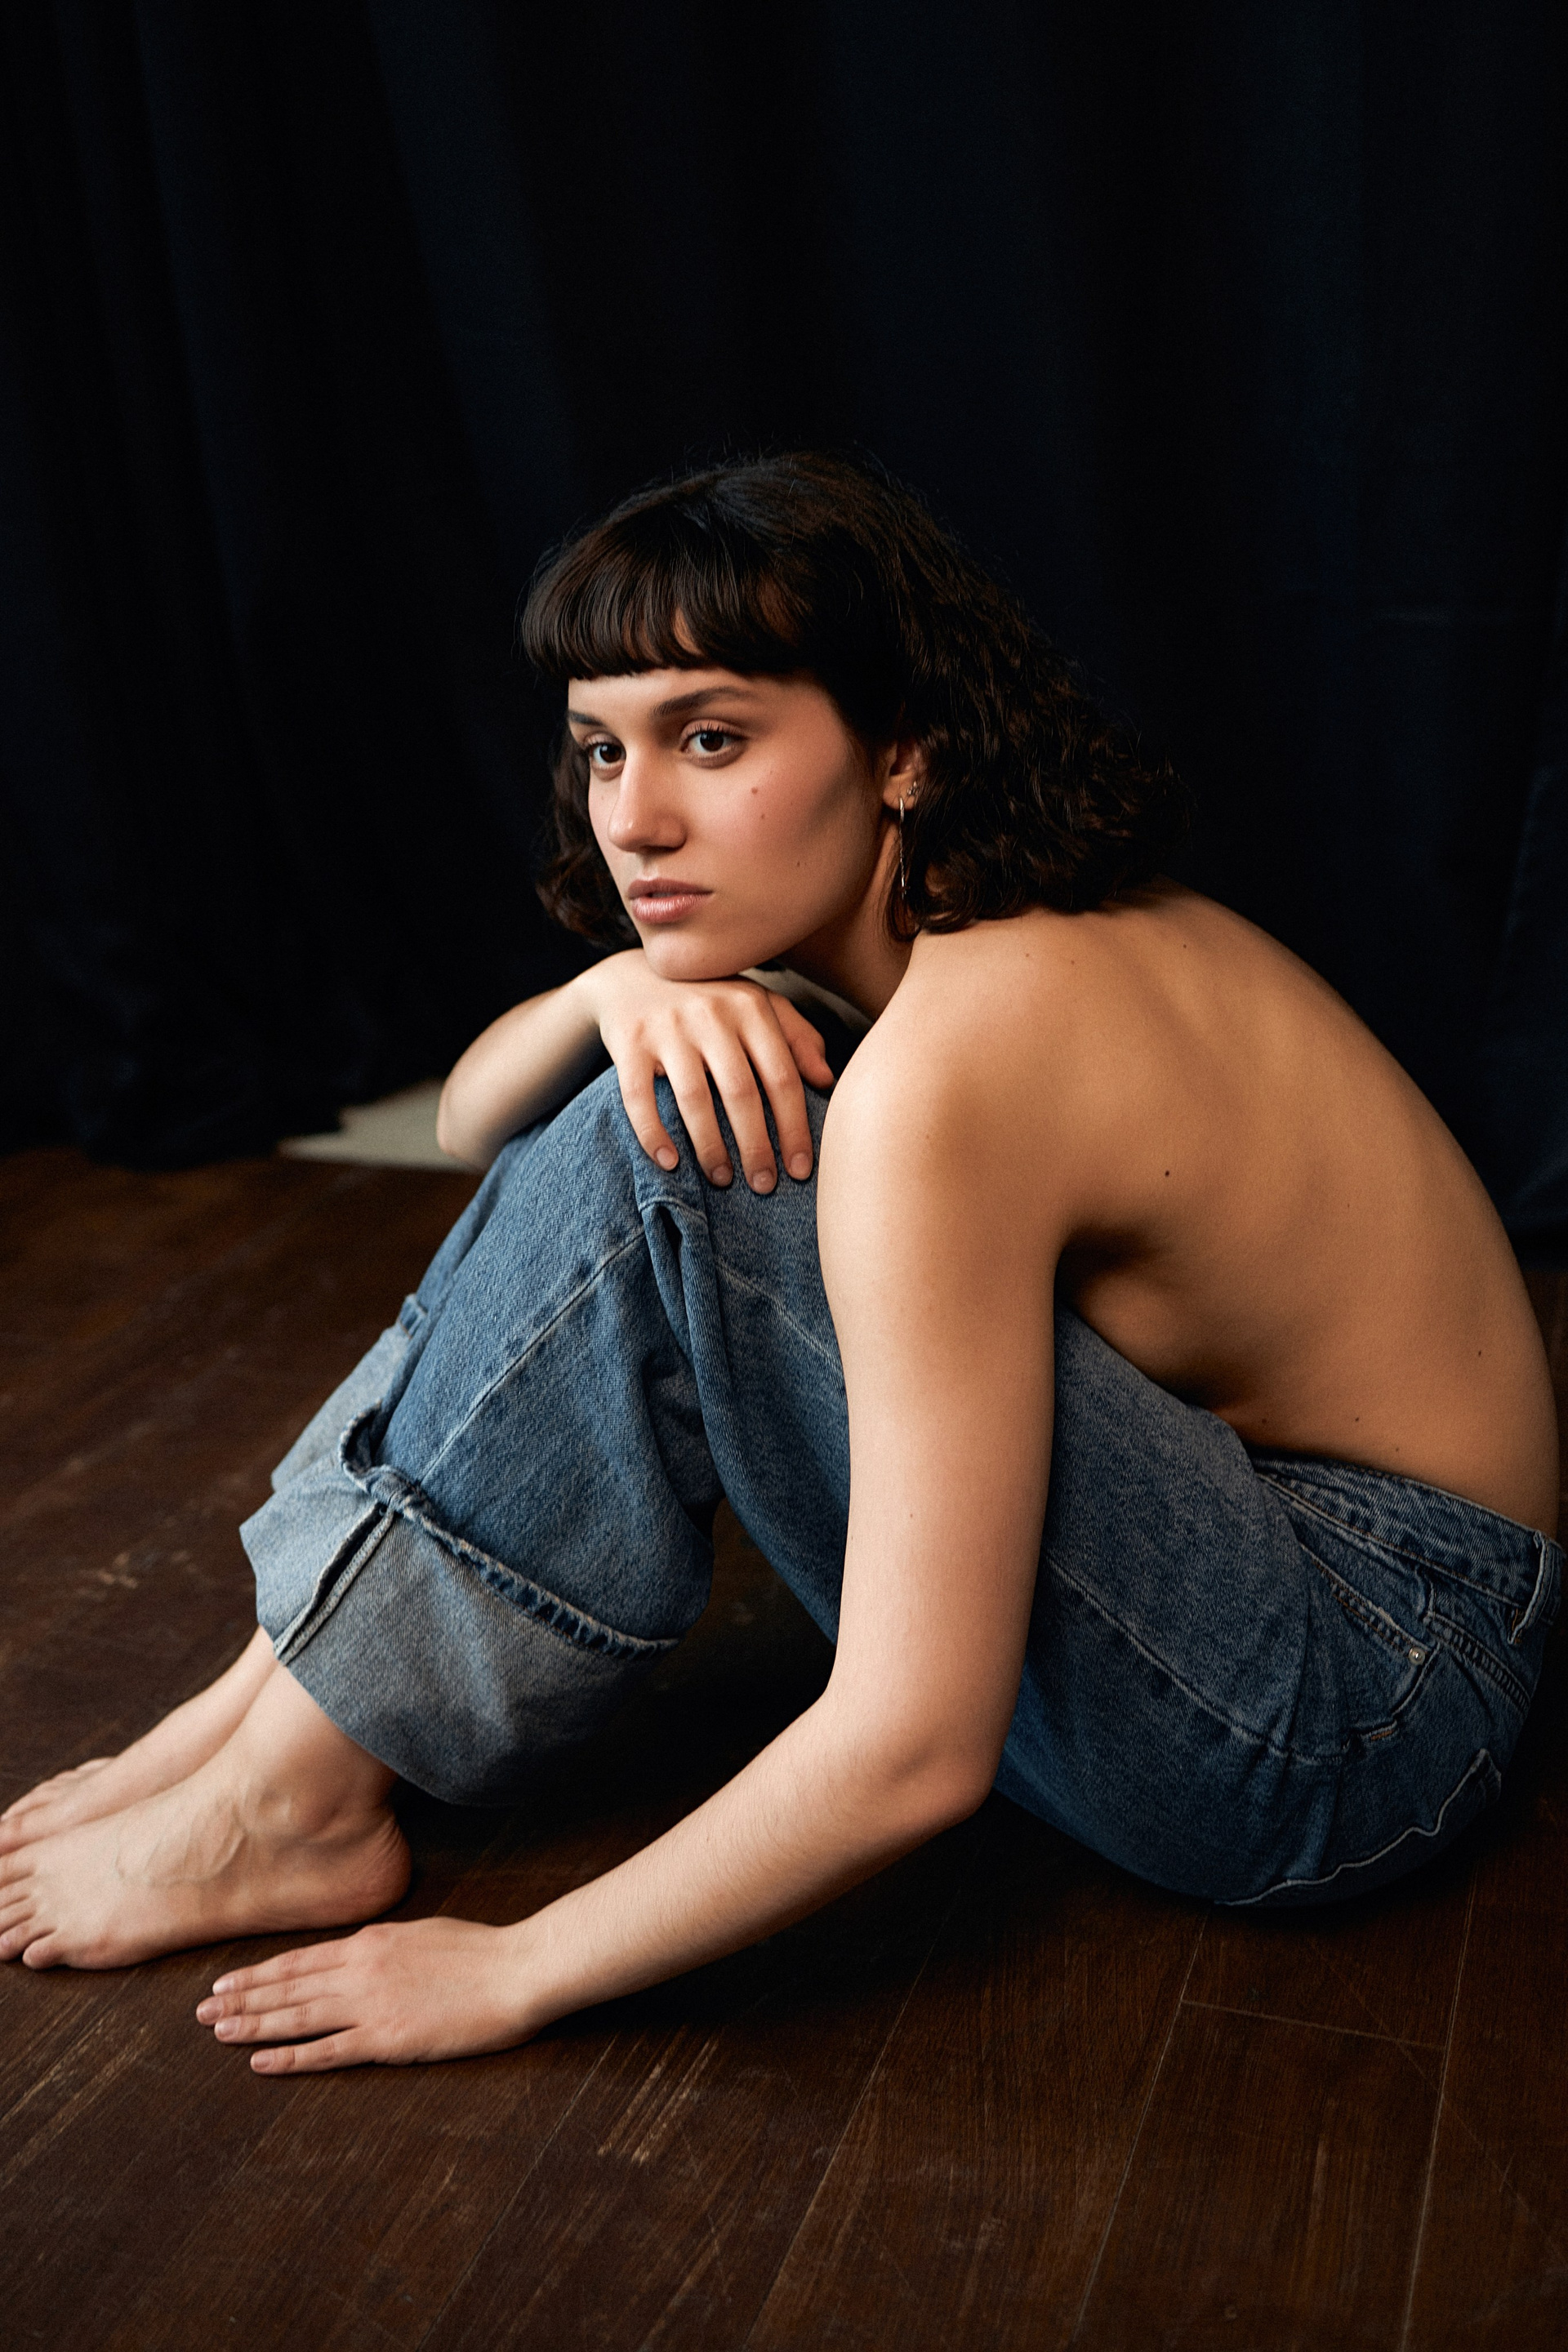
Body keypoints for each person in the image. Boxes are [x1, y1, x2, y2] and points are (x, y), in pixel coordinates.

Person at [0, 455, 1557, 2077]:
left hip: (1368, 1707)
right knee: (652, 1095)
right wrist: (607, 997)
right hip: (1323, 1582)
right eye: (604, 747)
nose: (633, 817)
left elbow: (915, 1747)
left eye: (713, 739)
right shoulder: (976, 930)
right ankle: (266, 1729)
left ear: (906, 751)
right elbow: (478, 1124)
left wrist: (520, 1969)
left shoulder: (963, 1057)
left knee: (679, 1148)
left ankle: (292, 1782)